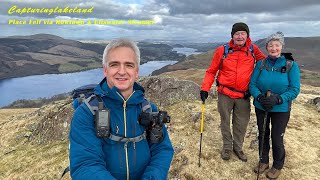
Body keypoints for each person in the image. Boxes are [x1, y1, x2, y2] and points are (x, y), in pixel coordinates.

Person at [69, 38, 174, 179]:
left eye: (129, 65)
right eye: (114, 64)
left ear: (137, 71)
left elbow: (162, 150)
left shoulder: (149, 109)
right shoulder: (87, 113)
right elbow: (85, 165)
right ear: (105, 70)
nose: (122, 71)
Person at [200, 22, 266, 162]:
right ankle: (227, 148)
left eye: (243, 33)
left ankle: (238, 148)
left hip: (243, 95)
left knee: (241, 123)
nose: (240, 36)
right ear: (232, 35)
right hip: (225, 94)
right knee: (225, 121)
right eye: (237, 33)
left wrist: (283, 63)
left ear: (247, 35)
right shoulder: (222, 50)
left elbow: (266, 64)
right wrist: (205, 88)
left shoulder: (253, 49)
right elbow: (211, 71)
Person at [249, 32, 300, 179]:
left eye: (277, 45)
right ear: (266, 47)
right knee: (262, 134)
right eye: (270, 45)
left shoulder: (291, 65)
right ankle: (263, 161)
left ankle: (277, 165)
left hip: (281, 109)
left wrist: (278, 99)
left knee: (277, 137)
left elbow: (295, 89)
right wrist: (259, 96)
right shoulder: (261, 64)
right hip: (261, 106)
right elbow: (252, 84)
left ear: (281, 47)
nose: (273, 48)